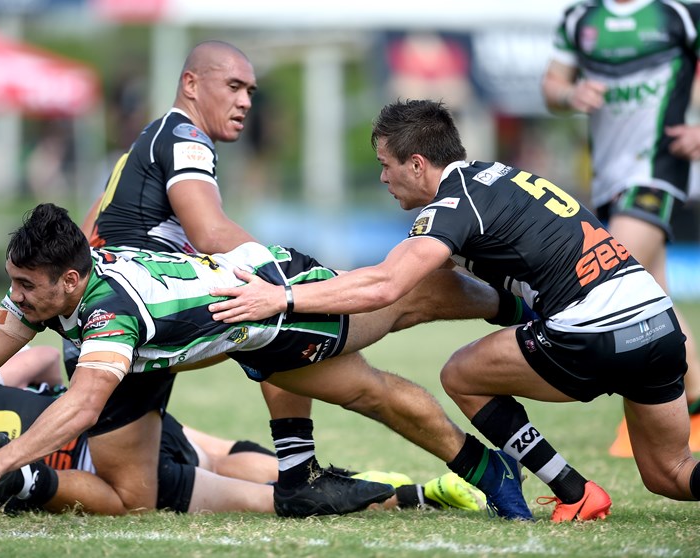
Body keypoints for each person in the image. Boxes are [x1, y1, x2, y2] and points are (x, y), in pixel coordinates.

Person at [0, 202, 532, 522]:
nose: (17, 297)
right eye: (16, 282)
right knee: (133, 498)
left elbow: (82, 403)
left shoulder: (109, 316)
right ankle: (485, 463)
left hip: (272, 305)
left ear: (71, 280)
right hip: (183, 347)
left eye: (29, 286)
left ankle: (499, 298)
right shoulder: (48, 291)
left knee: (398, 326)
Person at [80, 40, 526, 517]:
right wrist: (286, 281)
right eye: (233, 86)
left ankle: (306, 473)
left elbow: (91, 234)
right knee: (392, 305)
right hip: (169, 318)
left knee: (133, 498)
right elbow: (210, 233)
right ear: (190, 84)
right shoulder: (185, 136)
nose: (246, 101)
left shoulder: (139, 148)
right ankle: (522, 305)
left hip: (117, 334)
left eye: (250, 90)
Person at [209, 99, 700, 522]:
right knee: (671, 474)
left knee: (462, 375)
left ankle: (574, 491)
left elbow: (385, 285)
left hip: (592, 329)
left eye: (386, 165)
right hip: (660, 324)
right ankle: (577, 492)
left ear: (418, 164)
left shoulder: (451, 206)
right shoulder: (497, 178)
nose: (383, 177)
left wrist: (283, 298)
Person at [540, 0, 700, 456]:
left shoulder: (680, 14)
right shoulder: (581, 18)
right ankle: (695, 405)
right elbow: (551, 85)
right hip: (609, 181)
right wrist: (571, 96)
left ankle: (647, 421)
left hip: (656, 173)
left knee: (612, 284)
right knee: (655, 296)